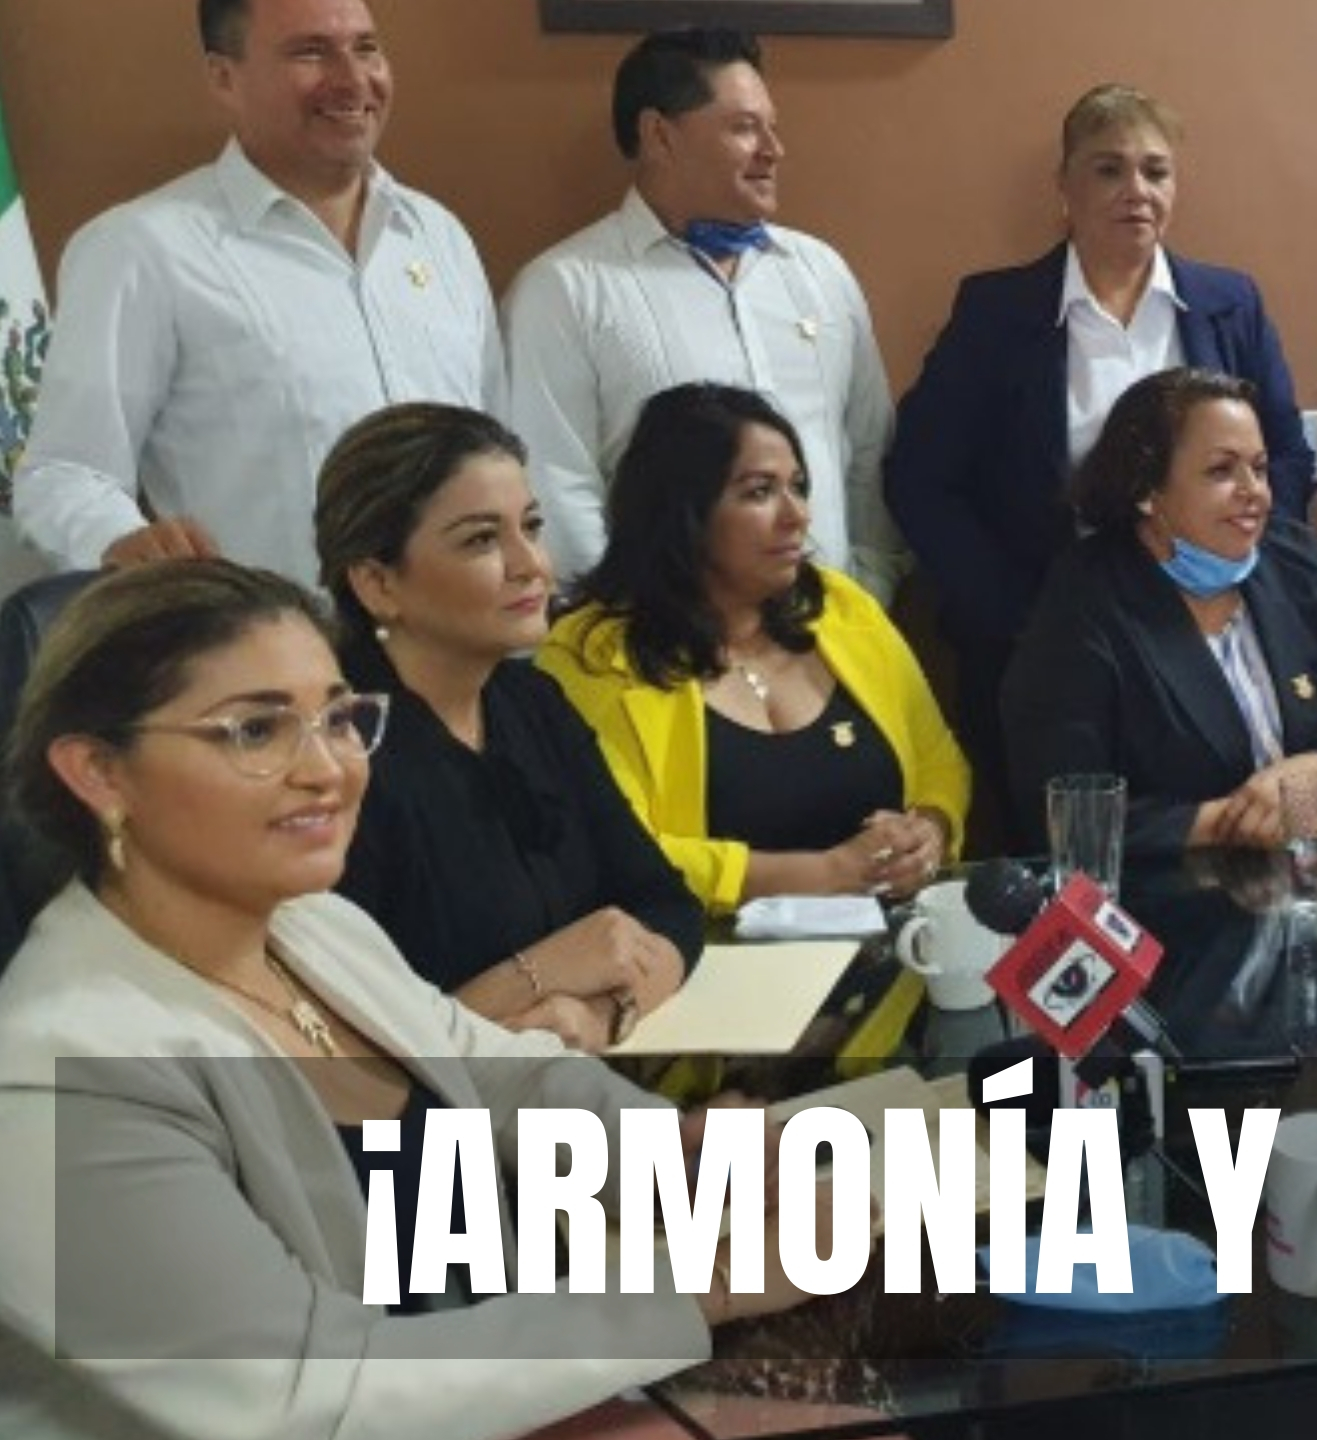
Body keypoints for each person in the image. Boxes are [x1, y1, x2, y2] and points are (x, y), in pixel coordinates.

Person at [0, 562, 819, 1440]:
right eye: (256, 730)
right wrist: (703, 1285)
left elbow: (507, 1076)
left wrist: (670, 1156)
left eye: (339, 719)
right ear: (99, 773)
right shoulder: (61, 1073)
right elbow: (305, 1401)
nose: (329, 769)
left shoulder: (317, 928)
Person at [887, 83, 1316, 788]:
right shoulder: (997, 311)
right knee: (1072, 833)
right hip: (1042, 632)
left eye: (1156, 171)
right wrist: (1010, 611)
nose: (1136, 191)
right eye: (1109, 169)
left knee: (1220, 822)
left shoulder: (1229, 304)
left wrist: (1249, 572)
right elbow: (921, 477)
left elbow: (1287, 456)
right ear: (1065, 186)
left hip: (1208, 628)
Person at [14, 0, 500, 584]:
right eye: (311, 53)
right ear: (224, 77)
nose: (351, 80)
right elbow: (65, 473)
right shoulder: (142, 249)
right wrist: (122, 543)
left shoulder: (438, 236)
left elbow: (500, 450)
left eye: (366, 48)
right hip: (279, 634)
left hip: (463, 632)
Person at [314, 403, 702, 1053]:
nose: (532, 566)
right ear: (378, 583)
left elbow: (667, 906)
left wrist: (602, 1013)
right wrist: (537, 974)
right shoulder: (337, 753)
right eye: (481, 540)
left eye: (532, 527)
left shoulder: (532, 700)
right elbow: (347, 1049)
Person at [505, 26, 903, 601]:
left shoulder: (820, 274)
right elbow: (557, 487)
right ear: (659, 135)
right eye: (744, 127)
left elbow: (868, 452)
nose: (773, 150)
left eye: (772, 127)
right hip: (660, 641)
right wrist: (631, 628)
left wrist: (869, 590)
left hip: (830, 629)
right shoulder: (564, 291)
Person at [539, 383, 968, 916]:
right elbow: (621, 850)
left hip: (897, 942)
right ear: (683, 509)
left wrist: (929, 829)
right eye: (759, 492)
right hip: (709, 957)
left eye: (798, 487)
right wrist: (829, 874)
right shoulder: (590, 655)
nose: (797, 515)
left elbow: (937, 758)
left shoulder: (840, 606)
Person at [1000, 368, 1317, 856]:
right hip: (1167, 890)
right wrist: (1231, 822)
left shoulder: (1299, 562)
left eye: (1260, 468)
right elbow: (1063, 810)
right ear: (1146, 490)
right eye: (1221, 471)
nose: (1253, 491)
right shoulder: (1084, 599)